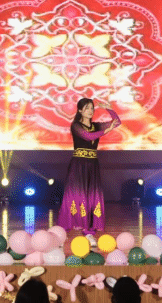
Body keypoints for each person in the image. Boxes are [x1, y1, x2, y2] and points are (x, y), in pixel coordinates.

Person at [57, 98, 120, 243]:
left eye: (92, 108)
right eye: (87, 108)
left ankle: (88, 232)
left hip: (92, 165)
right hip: (79, 165)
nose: (90, 111)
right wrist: (106, 130)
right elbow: (88, 136)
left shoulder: (96, 126)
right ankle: (62, 232)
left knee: (91, 197)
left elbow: (117, 122)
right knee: (75, 197)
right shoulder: (76, 126)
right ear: (80, 110)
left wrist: (109, 108)